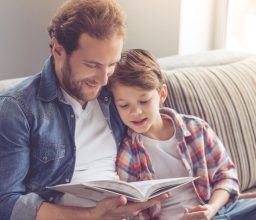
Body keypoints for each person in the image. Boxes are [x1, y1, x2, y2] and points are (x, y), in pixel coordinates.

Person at [0, 1, 170, 220]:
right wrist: (91, 215)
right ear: (58, 49)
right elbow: (6, 203)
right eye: (92, 65)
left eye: (111, 64)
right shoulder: (18, 109)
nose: (103, 79)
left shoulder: (115, 94)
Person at [108, 48, 256, 220]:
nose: (136, 112)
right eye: (124, 105)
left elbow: (226, 175)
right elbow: (132, 214)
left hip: (225, 209)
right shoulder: (128, 155)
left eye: (144, 101)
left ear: (162, 94)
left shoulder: (196, 129)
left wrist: (211, 208)